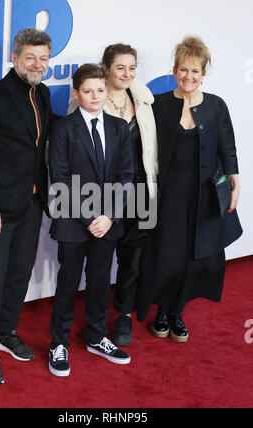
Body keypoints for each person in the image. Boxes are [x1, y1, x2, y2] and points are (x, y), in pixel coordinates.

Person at [0, 28, 57, 385]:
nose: (38, 64)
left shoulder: (43, 93)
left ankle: (7, 331)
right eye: (31, 57)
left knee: (20, 275)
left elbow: (42, 137)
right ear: (15, 58)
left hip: (31, 204)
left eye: (44, 59)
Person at [137, 36, 243, 342]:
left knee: (194, 257)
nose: (189, 77)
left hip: (203, 196)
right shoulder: (160, 106)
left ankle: (177, 312)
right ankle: (162, 310)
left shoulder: (215, 106)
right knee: (165, 255)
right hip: (168, 195)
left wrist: (235, 182)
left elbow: (228, 147)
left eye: (195, 71)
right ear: (174, 71)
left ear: (204, 74)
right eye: (183, 70)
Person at [68, 44, 158, 346]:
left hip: (142, 192)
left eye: (132, 67)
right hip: (102, 196)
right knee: (100, 261)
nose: (127, 73)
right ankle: (93, 323)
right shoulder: (91, 99)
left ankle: (124, 318)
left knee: (133, 261)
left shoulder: (144, 98)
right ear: (106, 68)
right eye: (121, 67)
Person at [48, 64, 134, 377]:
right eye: (87, 91)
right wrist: (89, 217)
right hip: (73, 222)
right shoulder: (63, 129)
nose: (95, 96)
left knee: (100, 282)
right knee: (68, 283)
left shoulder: (119, 127)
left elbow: (126, 175)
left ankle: (97, 337)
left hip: (108, 222)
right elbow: (59, 178)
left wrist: (109, 215)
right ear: (76, 93)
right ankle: (58, 342)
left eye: (100, 90)